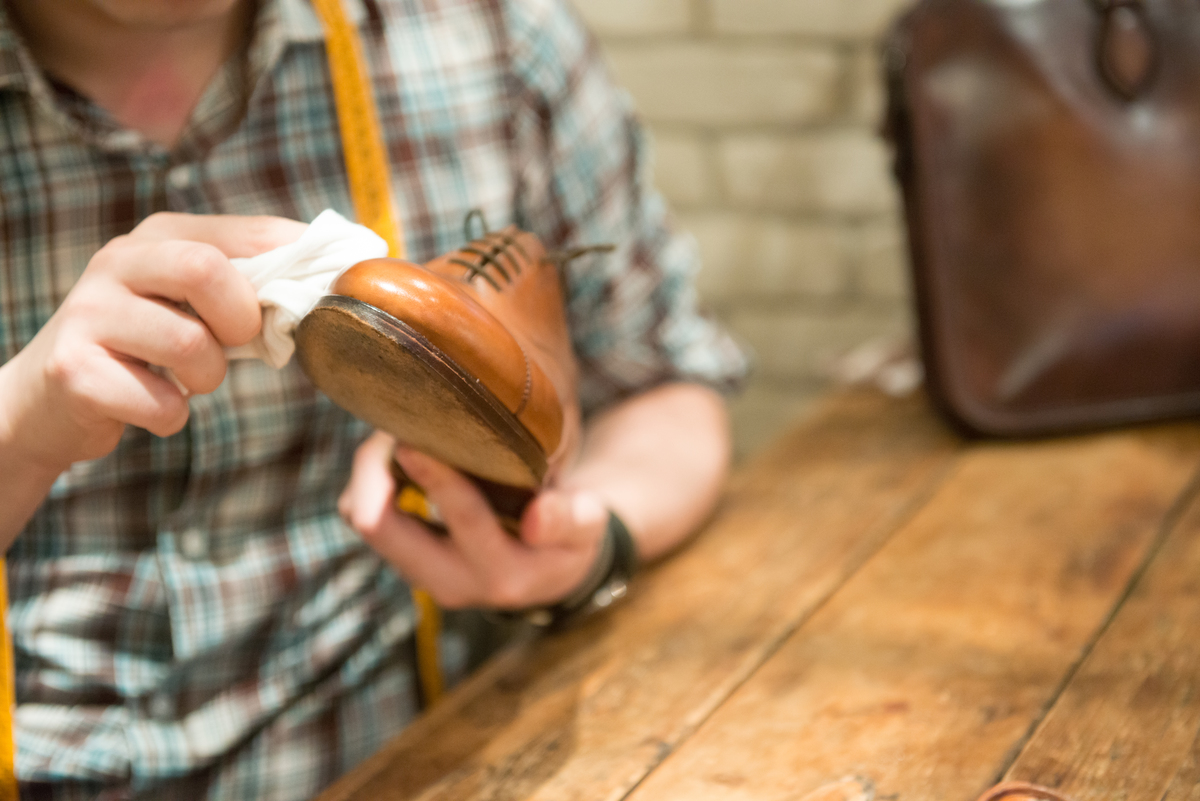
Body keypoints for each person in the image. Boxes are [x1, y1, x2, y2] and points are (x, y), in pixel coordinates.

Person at [0, 0, 748, 798]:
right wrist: (21, 425)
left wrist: (585, 541)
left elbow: (664, 381)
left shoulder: (493, 37)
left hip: (409, 751)